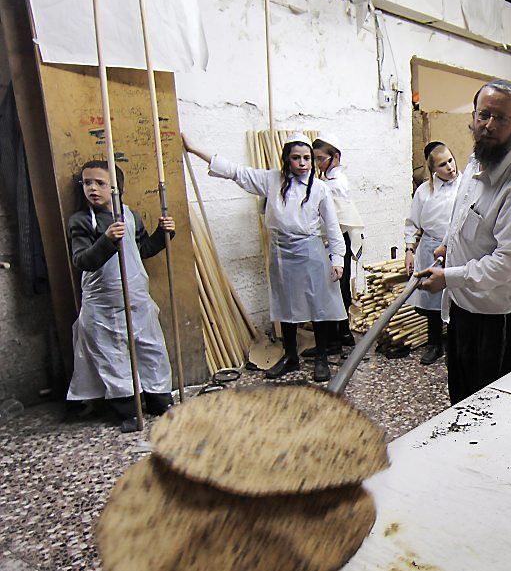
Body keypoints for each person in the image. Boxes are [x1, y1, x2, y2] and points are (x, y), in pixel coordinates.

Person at [417, 79, 511, 404]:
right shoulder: (477, 160)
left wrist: (447, 277)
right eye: (483, 115)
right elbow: (463, 212)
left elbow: (506, 264)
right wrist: (449, 243)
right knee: (461, 396)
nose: (489, 125)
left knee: (492, 408)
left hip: (497, 316)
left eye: (501, 118)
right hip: (464, 306)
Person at [183, 133, 347, 382]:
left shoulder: (320, 188)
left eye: (307, 158)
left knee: (318, 306)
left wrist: (337, 259)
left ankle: (322, 357)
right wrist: (194, 149)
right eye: (296, 158)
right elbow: (236, 171)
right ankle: (291, 357)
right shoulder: (272, 180)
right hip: (281, 253)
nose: (302, 163)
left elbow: (333, 226)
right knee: (286, 307)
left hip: (310, 251)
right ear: (286, 159)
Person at [66, 161, 175, 433]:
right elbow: (82, 260)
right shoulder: (81, 221)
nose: (92, 188)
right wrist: (106, 240)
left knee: (151, 349)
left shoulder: (130, 215)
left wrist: (164, 235)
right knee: (114, 357)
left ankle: (160, 400)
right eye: (87, 183)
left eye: (100, 183)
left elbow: (143, 250)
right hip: (103, 304)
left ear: (117, 189)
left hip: (137, 298)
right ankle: (127, 410)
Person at [404, 141, 460, 365]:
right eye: (442, 165)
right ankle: (434, 343)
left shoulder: (466, 185)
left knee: (457, 297)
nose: (449, 167)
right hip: (429, 247)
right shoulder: (424, 192)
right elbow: (412, 223)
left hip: (457, 249)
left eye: (450, 160)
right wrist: (409, 249)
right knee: (431, 300)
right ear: (433, 169)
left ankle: (455, 342)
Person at [313, 133, 364, 347]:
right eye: (314, 158)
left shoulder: (335, 183)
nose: (317, 163)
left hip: (338, 238)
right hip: (333, 238)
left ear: (335, 157)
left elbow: (336, 216)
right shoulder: (326, 180)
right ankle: (341, 333)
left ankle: (339, 336)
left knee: (338, 287)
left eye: (320, 158)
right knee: (335, 287)